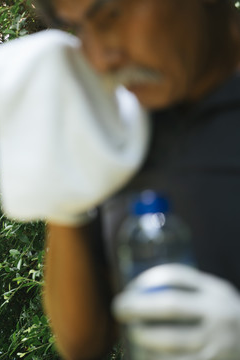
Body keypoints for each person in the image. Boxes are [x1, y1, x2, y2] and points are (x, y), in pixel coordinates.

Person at [33, 0, 240, 359]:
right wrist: (64, 200)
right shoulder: (123, 131)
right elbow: (83, 345)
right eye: (80, 29)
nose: (101, 59)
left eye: (111, 15)